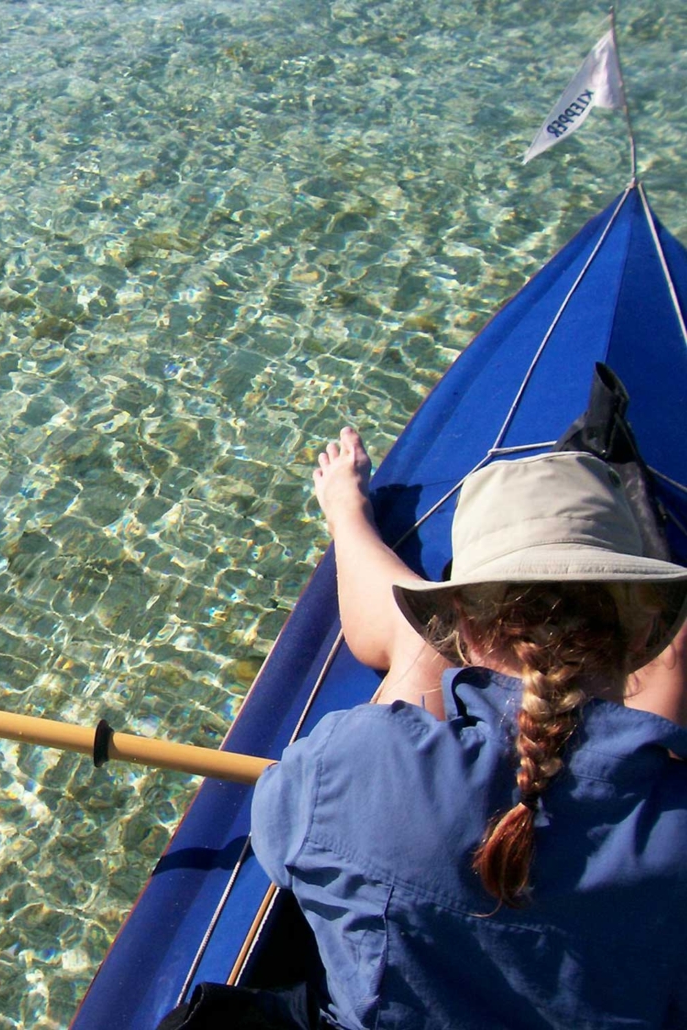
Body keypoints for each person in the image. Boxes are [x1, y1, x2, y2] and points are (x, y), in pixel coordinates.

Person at [250, 428, 687, 1030]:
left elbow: (277, 842)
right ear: (641, 635)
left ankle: (349, 521)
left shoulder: (350, 765)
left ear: (462, 627)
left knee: (413, 650)